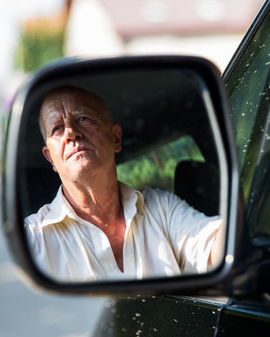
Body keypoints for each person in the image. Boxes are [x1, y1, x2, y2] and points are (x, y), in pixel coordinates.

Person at [24, 86, 223, 282]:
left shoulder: (162, 209)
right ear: (51, 159)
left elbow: (220, 249)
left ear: (116, 138)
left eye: (83, 118)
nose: (71, 133)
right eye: (57, 128)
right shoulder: (33, 239)